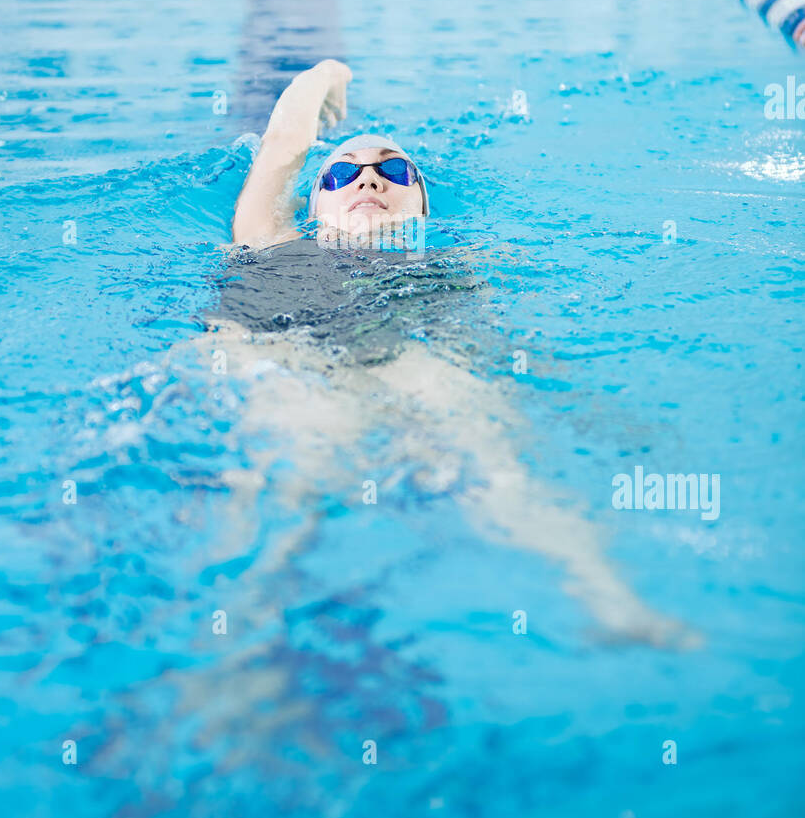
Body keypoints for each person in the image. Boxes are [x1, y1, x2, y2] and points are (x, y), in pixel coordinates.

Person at [185, 59, 698, 648]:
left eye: (392, 169)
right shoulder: (266, 237)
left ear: (421, 205)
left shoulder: (456, 268)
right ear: (313, 208)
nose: (368, 181)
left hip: (404, 360)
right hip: (286, 354)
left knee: (499, 469)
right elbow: (283, 144)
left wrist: (579, 404)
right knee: (284, 485)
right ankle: (233, 640)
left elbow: (497, 350)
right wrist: (327, 73)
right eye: (340, 174)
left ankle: (614, 603)